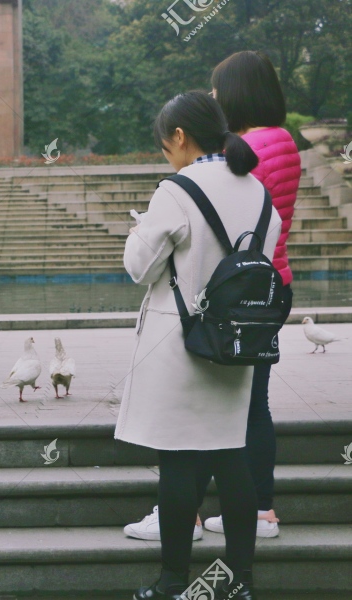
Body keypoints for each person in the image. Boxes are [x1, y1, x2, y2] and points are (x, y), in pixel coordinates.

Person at [124, 50, 300, 543]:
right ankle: (255, 522)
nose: (217, 99)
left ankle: (185, 521)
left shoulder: (240, 157)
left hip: (224, 295)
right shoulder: (276, 147)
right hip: (264, 286)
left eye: (221, 89)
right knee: (246, 408)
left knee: (207, 419)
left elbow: (156, 258)